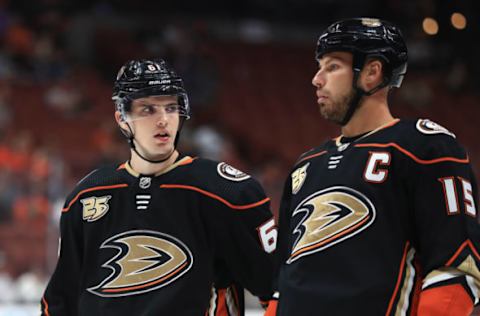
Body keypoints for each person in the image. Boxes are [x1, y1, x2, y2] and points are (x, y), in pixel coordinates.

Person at [267, 18, 480, 315]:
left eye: (332, 66)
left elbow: (456, 269)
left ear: (371, 72)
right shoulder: (306, 166)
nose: (317, 79)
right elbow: (283, 286)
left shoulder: (426, 148)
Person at [40, 58, 277, 315]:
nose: (163, 120)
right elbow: (60, 302)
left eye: (171, 108)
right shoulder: (87, 196)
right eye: (147, 110)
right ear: (121, 118)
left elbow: (280, 289)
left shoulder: (227, 192)